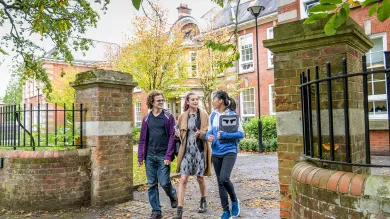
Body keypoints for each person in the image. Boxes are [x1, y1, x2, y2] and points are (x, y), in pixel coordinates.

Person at [138, 90, 178, 219]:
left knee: (165, 182)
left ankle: (172, 194)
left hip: (163, 155)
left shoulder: (168, 117)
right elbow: (142, 139)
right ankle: (156, 211)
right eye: (158, 100)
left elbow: (172, 137)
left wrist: (168, 155)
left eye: (162, 100)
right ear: (152, 102)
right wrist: (140, 156)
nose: (161, 102)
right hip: (149, 155)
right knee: (152, 184)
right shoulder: (146, 118)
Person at [205, 91, 244, 219]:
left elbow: (240, 134)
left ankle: (234, 200)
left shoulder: (232, 115)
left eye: (214, 99)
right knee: (220, 183)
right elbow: (209, 131)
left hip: (229, 151)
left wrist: (225, 135)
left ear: (220, 100)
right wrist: (208, 136)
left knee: (224, 178)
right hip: (216, 152)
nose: (212, 102)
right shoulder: (213, 115)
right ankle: (226, 211)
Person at [173, 92, 212, 219]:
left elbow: (207, 132)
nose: (195, 101)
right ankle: (179, 210)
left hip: (200, 151)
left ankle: (203, 200)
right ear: (188, 102)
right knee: (183, 179)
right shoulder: (183, 116)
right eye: (193, 99)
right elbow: (178, 131)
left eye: (197, 99)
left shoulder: (204, 114)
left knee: (200, 179)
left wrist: (200, 134)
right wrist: (177, 134)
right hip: (186, 152)